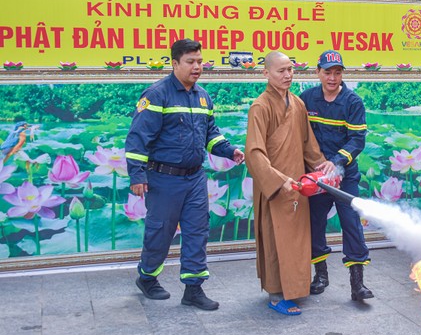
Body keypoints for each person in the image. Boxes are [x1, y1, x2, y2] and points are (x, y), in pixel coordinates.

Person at [126, 38, 244, 311]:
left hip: (194, 178)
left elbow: (210, 134)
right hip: (164, 179)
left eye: (200, 61)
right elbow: (137, 139)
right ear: (175, 63)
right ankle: (147, 277)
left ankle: (193, 289)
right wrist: (137, 176)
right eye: (191, 62)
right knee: (160, 232)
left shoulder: (203, 96)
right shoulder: (156, 95)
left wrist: (230, 151)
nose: (197, 67)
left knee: (197, 232)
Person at [245, 51, 334, 316]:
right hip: (274, 187)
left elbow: (308, 145)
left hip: (297, 185)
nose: (287, 75)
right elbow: (254, 153)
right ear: (266, 74)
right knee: (275, 241)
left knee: (296, 241)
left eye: (291, 70)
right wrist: (276, 180)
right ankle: (275, 295)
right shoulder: (260, 107)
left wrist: (323, 168)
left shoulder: (296, 104)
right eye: (281, 71)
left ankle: (294, 289)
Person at [300, 50, 374, 301]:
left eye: (337, 72)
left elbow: (357, 139)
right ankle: (320, 275)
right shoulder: (306, 99)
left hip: (345, 176)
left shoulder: (353, 102)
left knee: (351, 224)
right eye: (328, 72)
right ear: (318, 72)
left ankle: (357, 284)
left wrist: (337, 163)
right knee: (314, 223)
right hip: (317, 176)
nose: (332, 78)